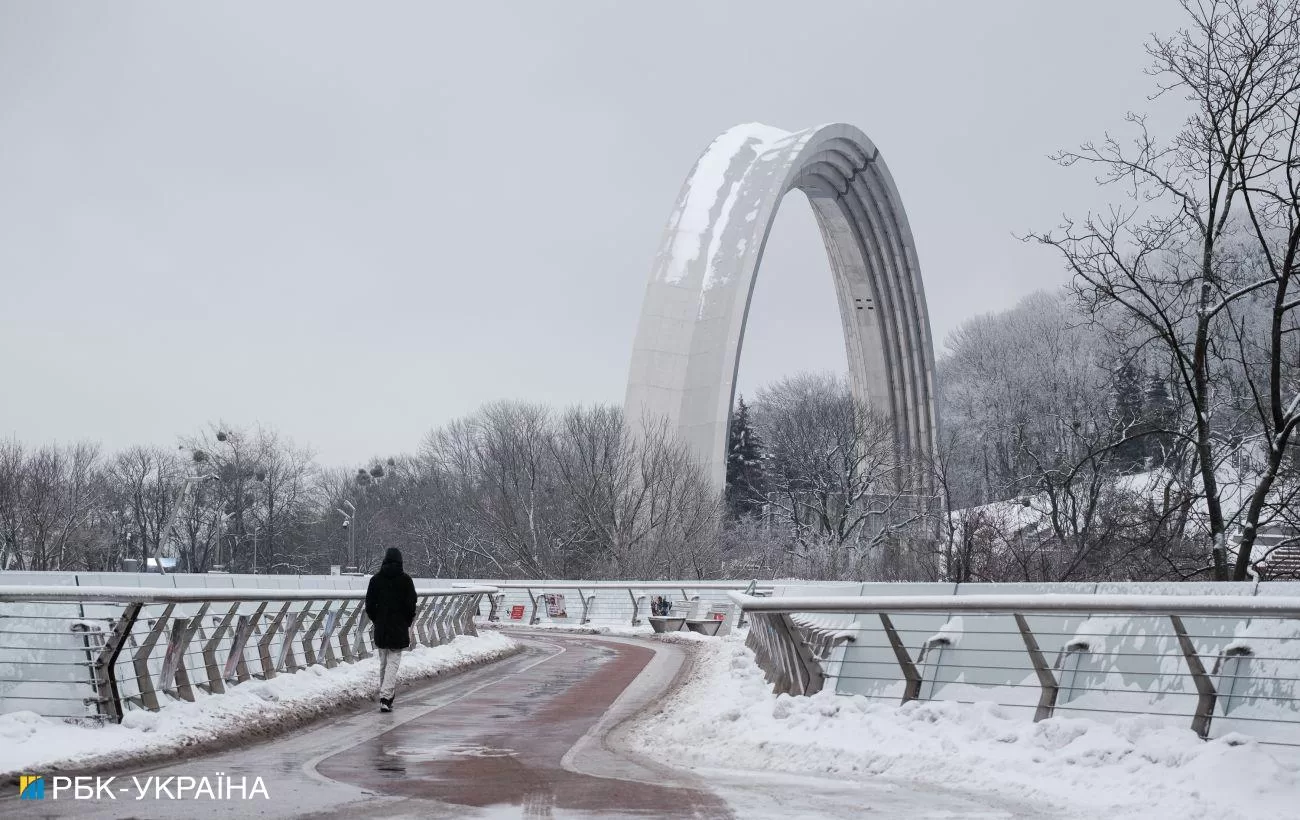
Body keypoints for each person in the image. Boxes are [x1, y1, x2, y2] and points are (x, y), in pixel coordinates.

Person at [364, 547, 416, 712]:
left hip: (381, 626)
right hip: (399, 627)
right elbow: (411, 605)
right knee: (393, 662)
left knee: (384, 662)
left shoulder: (375, 580)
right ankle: (386, 697)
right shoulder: (406, 580)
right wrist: (406, 621)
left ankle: (385, 695)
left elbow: (369, 605)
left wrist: (377, 620)